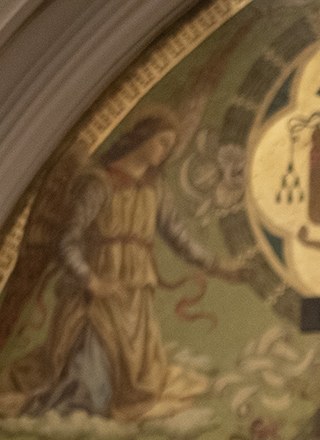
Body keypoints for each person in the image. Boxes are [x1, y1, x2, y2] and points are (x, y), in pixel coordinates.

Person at [0, 108, 237, 422]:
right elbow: (67, 240)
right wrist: (91, 280)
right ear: (143, 138)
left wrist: (215, 264)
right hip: (97, 290)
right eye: (162, 143)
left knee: (137, 377)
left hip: (135, 289)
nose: (165, 152)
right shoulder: (100, 183)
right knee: (89, 384)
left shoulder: (156, 189)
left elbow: (178, 236)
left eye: (169, 146)